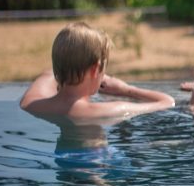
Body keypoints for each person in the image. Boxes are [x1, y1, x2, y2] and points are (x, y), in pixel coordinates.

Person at [20, 22, 175, 123]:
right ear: (95, 69)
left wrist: (72, 71)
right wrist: (127, 89)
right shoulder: (108, 110)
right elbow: (167, 102)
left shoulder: (32, 104)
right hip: (94, 169)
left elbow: (47, 75)